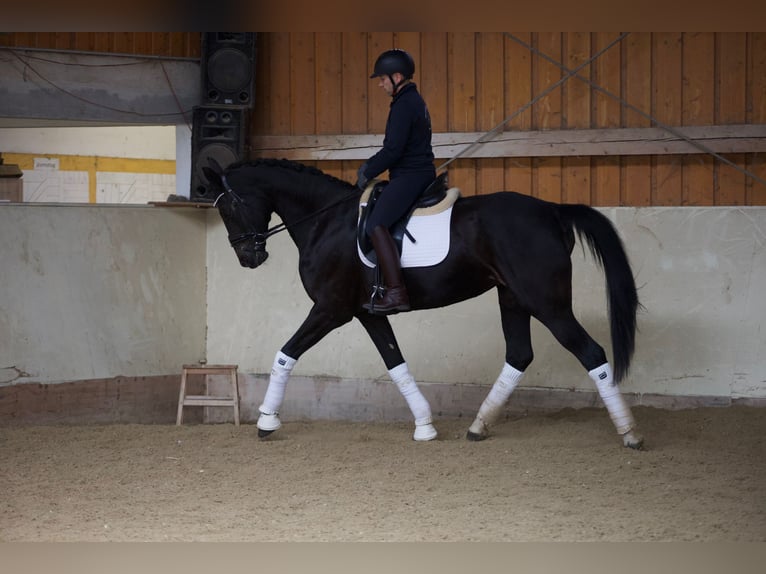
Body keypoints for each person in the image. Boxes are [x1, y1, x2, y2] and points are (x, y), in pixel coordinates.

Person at [357, 48, 436, 315]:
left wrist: (368, 169)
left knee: (376, 223)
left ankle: (396, 293)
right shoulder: (411, 100)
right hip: (415, 172)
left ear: (397, 76)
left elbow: (393, 150)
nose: (380, 84)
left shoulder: (405, 104)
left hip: (411, 175)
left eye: (382, 79)